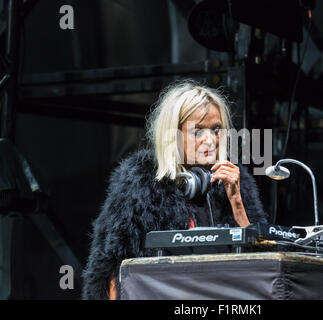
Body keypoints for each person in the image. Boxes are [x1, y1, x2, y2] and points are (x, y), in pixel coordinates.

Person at [81, 80, 268, 300]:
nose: (210, 140)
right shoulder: (140, 182)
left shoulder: (235, 182)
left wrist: (236, 200)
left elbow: (262, 264)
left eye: (216, 129)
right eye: (197, 131)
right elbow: (111, 266)